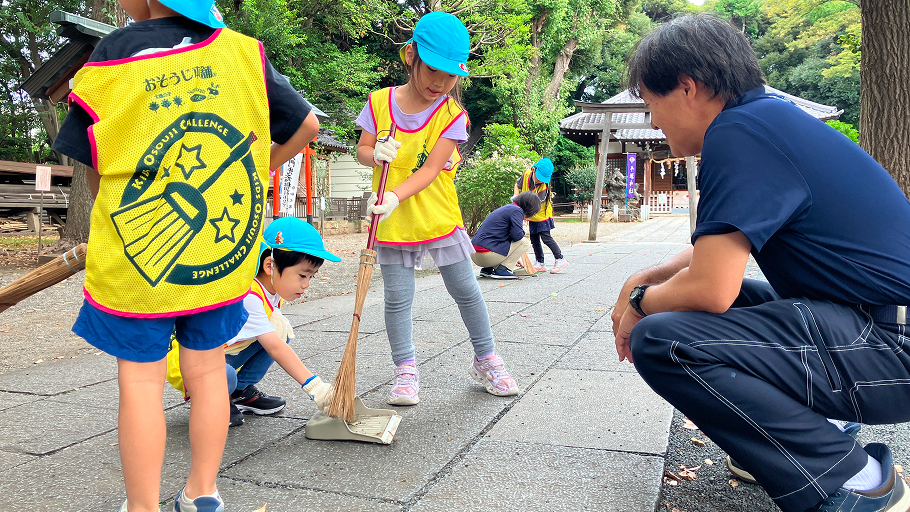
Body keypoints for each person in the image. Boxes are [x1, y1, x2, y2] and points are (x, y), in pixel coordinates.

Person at [611, 14, 910, 512]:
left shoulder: (739, 133)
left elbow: (711, 287)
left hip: (892, 345)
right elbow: (719, 249)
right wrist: (646, 277)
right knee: (728, 304)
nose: (653, 121)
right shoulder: (767, 119)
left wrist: (642, 303)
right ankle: (816, 430)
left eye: (650, 102)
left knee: (663, 337)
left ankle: (856, 482)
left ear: (688, 87)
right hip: (880, 328)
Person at [51, 0, 320, 510]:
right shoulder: (245, 54)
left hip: (135, 263)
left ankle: (142, 507)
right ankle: (203, 493)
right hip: (217, 260)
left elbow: (92, 160)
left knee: (141, 382)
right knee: (207, 370)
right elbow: (306, 127)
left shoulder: (112, 54)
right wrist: (253, 170)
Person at [354, 11, 519, 406]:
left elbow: (431, 170)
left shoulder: (451, 115)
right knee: (397, 298)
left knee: (466, 290)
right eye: (433, 70)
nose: (440, 83)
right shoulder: (379, 104)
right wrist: (373, 153)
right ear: (410, 55)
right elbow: (362, 149)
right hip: (392, 221)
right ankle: (405, 370)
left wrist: (395, 195)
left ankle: (486, 358)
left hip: (436, 214)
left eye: (451, 75)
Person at [165, 216, 340, 428]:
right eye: (302, 275)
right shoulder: (249, 296)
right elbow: (275, 348)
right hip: (193, 363)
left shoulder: (272, 289)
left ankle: (240, 392)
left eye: (311, 277)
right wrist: (316, 388)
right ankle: (213, 399)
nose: (306, 284)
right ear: (270, 266)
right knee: (229, 372)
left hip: (224, 352)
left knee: (279, 330)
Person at [514, 158, 568, 274]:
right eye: (539, 177)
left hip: (542, 214)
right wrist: (515, 198)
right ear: (534, 169)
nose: (540, 181)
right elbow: (517, 185)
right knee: (534, 239)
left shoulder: (544, 187)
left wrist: (523, 217)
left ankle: (560, 259)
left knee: (546, 237)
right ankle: (540, 262)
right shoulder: (526, 175)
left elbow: (536, 206)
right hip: (530, 215)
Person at [471, 192, 541, 279]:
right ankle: (502, 270)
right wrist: (523, 230)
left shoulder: (508, 208)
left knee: (499, 239)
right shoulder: (517, 210)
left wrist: (512, 257)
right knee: (524, 242)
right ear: (529, 208)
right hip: (486, 255)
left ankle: (487, 269)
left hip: (475, 255)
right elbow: (517, 236)